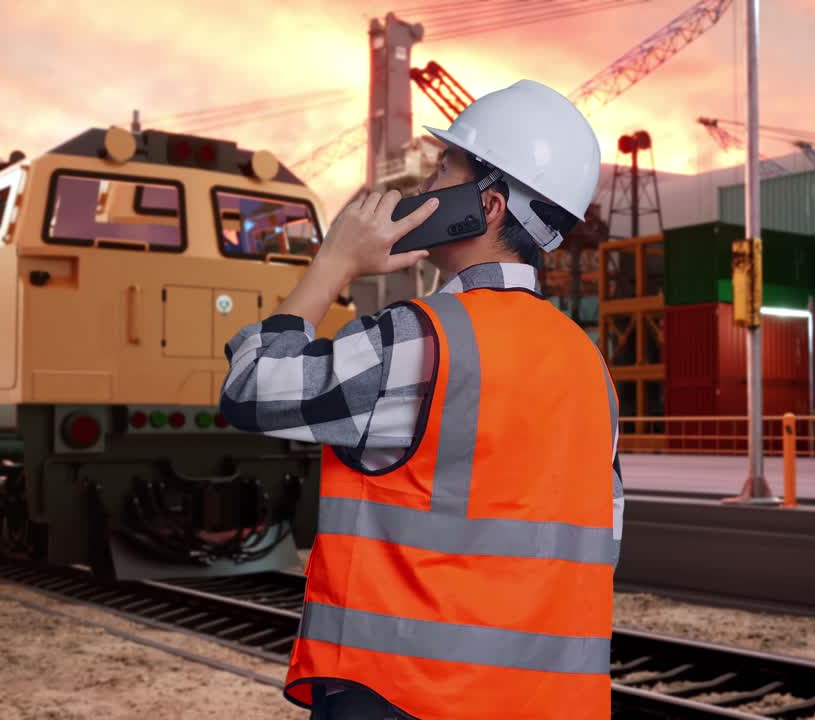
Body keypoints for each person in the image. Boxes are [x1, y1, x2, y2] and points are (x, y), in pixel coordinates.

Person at [220, 79, 623, 720]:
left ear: (486, 207)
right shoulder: (589, 365)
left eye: (444, 168)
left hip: (407, 695)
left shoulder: (419, 338)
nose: (425, 188)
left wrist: (333, 266)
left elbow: (251, 384)